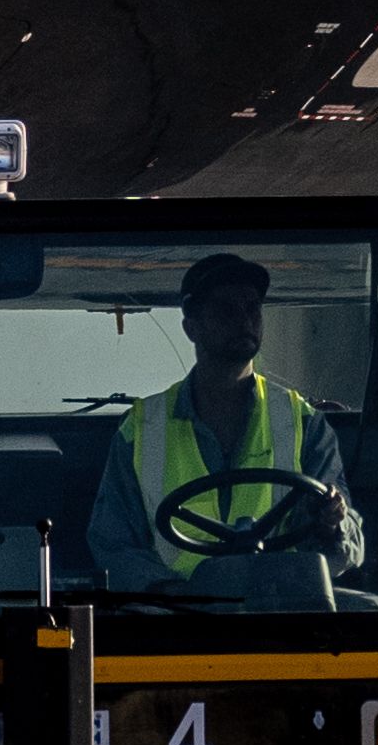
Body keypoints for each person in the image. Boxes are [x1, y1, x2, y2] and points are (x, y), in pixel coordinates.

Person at [119, 254, 362, 604]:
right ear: (191, 327)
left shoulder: (303, 422)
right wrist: (171, 593)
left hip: (286, 620)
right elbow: (115, 545)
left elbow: (348, 547)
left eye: (252, 308)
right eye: (225, 310)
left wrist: (331, 522)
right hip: (176, 628)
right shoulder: (140, 429)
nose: (244, 320)